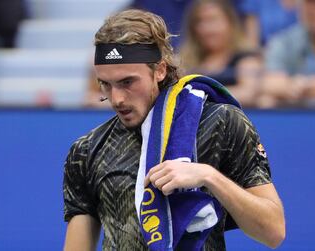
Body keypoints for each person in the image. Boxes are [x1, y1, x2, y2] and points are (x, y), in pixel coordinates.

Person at [63, 9, 285, 251]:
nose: (117, 99)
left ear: (159, 70)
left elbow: (273, 231)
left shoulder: (221, 123)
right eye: (106, 84)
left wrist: (209, 177)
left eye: (127, 82)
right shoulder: (87, 150)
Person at [179, 0, 262, 107]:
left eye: (213, 20)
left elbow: (249, 92)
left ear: (230, 23)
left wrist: (201, 96)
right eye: (200, 21)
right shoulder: (185, 61)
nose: (207, 29)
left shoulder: (246, 57)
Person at [261, 0, 315, 108]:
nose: (313, 10)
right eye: (308, 3)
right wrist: (291, 85)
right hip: (299, 115)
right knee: (266, 100)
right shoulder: (284, 41)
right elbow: (268, 83)